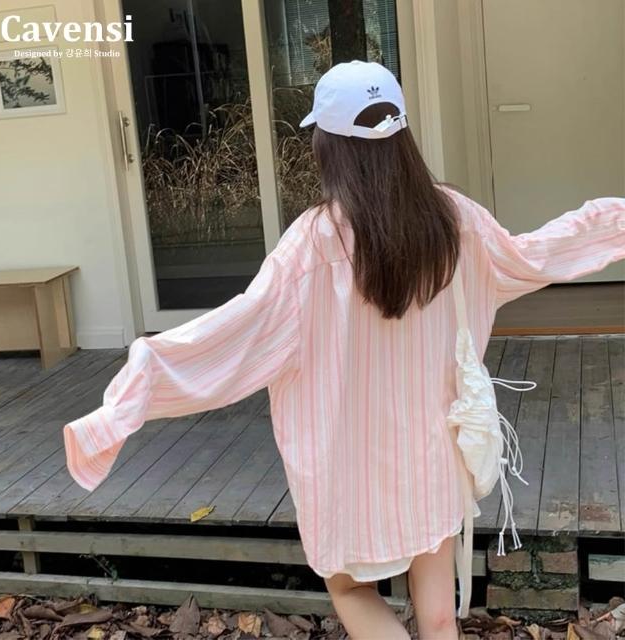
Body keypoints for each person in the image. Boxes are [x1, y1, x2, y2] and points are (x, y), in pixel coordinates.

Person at [63, 60, 625, 640]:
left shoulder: (313, 244)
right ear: (402, 134)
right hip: (433, 456)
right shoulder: (454, 220)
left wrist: (129, 396)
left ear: (327, 146)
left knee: (351, 591)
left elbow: (234, 337)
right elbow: (534, 256)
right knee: (437, 613)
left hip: (347, 471)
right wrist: (615, 223)